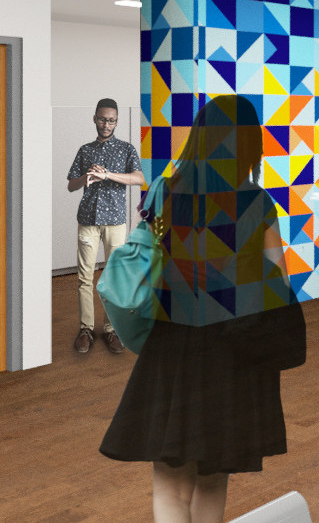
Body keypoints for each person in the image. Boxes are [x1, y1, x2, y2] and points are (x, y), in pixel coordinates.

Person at [100, 94, 302, 523]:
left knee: (171, 481)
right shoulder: (258, 203)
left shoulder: (165, 192)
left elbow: (150, 256)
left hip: (174, 345)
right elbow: (278, 282)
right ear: (250, 144)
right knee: (213, 476)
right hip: (236, 352)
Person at [66, 97, 144, 354]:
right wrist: (86, 177)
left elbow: (139, 179)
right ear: (95, 118)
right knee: (84, 278)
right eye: (102, 119)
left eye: (111, 120)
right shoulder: (84, 150)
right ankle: (85, 329)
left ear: (116, 121)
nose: (106, 124)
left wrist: (107, 174)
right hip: (87, 220)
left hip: (115, 222)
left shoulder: (126, 149)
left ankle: (112, 330)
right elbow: (71, 185)